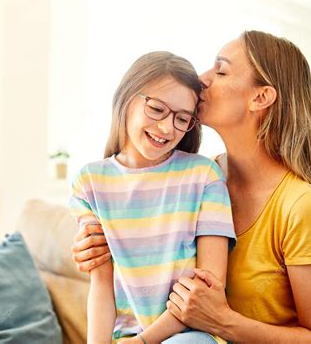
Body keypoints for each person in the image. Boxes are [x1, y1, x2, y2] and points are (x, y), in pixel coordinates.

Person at [72, 30, 311, 343]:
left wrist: (222, 322)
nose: (201, 79)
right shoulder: (202, 178)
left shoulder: (301, 207)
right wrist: (93, 248)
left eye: (221, 70)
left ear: (260, 97)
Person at [69, 51, 236, 344]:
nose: (166, 128)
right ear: (127, 97)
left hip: (189, 334)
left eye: (182, 119)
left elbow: (207, 288)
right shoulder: (90, 183)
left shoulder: (204, 176)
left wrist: (146, 341)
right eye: (157, 109)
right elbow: (102, 287)